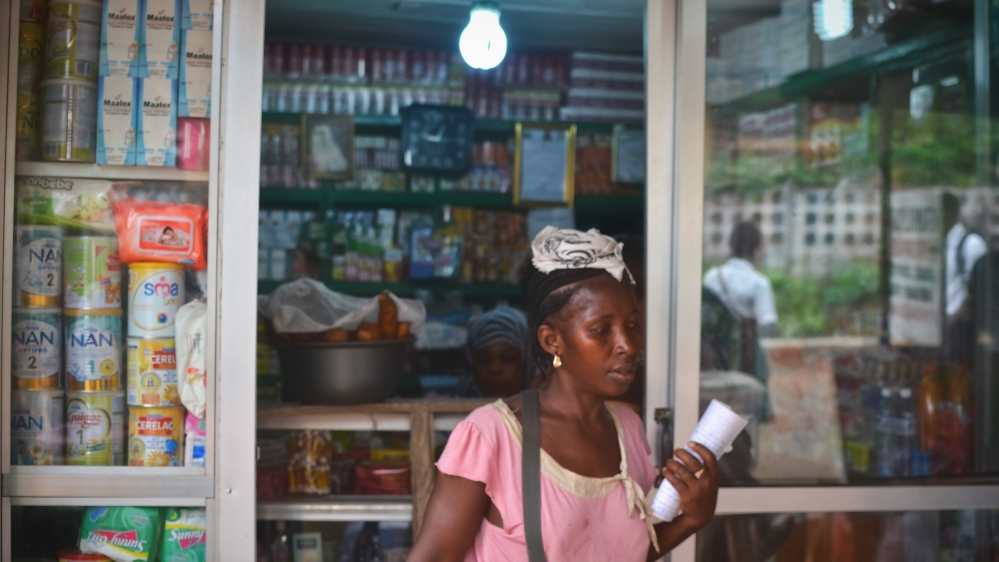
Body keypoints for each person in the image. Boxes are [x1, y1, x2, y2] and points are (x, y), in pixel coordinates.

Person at [409, 227, 719, 562]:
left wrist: (692, 519)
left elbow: (619, 553)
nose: (627, 345)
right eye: (601, 330)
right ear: (552, 341)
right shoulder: (490, 436)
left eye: (633, 325)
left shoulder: (628, 428)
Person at [702, 222, 778, 337]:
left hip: (711, 350)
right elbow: (768, 326)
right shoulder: (759, 283)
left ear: (730, 244)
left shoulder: (711, 276)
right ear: (758, 246)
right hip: (744, 351)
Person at [943, 193, 987, 365]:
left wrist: (954, 317)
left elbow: (977, 290)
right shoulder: (946, 241)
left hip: (962, 324)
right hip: (946, 324)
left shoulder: (971, 243)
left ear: (951, 213)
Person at [463, 307, 531, 398]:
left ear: (528, 361)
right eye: (483, 359)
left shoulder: (548, 411)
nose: (494, 369)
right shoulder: (448, 409)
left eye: (508, 358)